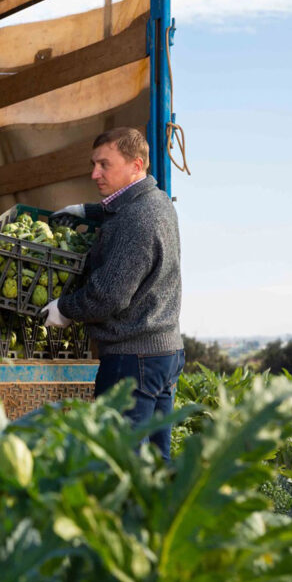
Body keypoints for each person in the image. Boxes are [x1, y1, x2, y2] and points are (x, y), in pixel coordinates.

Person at [40, 127, 184, 459]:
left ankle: (127, 513)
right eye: (94, 164)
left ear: (136, 164)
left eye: (105, 165)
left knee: (120, 463)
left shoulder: (136, 220)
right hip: (164, 352)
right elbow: (119, 210)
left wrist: (65, 308)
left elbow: (107, 297)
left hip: (131, 358)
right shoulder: (156, 200)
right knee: (156, 462)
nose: (94, 174)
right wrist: (86, 211)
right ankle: (158, 511)